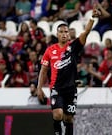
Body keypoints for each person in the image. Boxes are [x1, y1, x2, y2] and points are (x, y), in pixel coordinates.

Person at [37, 7, 101, 135]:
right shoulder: (50, 50)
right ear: (57, 34)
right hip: (56, 87)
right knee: (58, 114)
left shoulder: (73, 46)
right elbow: (43, 71)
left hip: (71, 88)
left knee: (69, 118)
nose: (64, 34)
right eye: (61, 32)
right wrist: (39, 88)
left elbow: (86, 32)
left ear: (68, 34)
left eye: (66, 31)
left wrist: (92, 18)